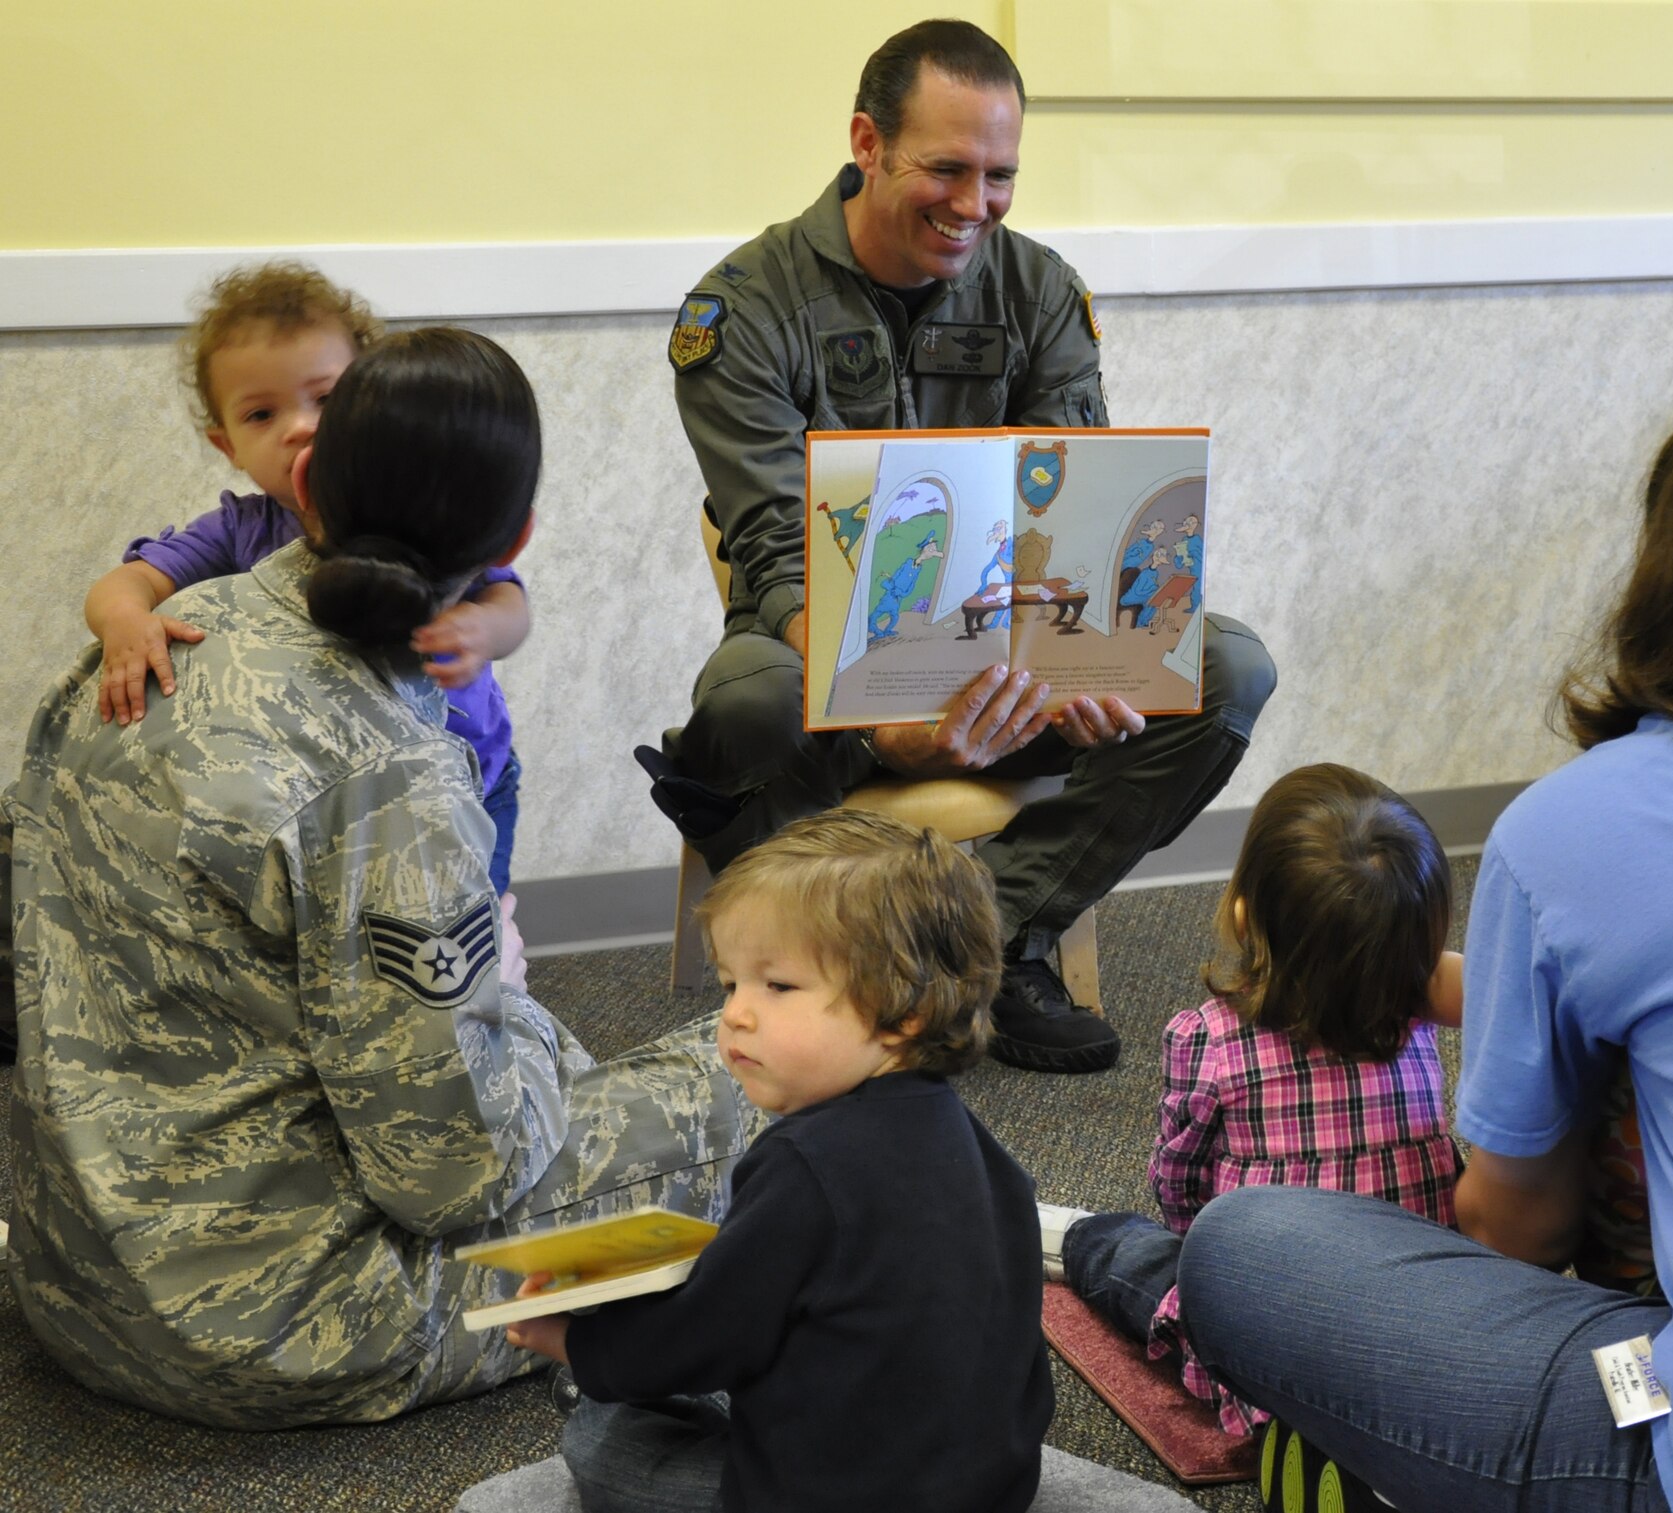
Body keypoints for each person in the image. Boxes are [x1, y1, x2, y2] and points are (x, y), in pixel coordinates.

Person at [1175, 368, 1673, 1510]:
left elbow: (1517, 1230)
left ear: (1660, 577)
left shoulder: (1573, 830)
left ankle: (1113, 1262)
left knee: (1240, 1248)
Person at [1, 328, 746, 1429]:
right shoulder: (390, 774)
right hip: (279, 1329)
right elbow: (452, 1175)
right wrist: (524, 1036)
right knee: (758, 1075)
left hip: (74, 1277)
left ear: (306, 479)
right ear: (517, 539)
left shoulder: (135, 653)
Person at [640, 18, 1275, 1075]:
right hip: (819, 663)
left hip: (1012, 656)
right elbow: (774, 549)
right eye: (945, 168)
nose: (972, 204)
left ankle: (981, 938)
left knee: (1224, 668)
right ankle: (811, 969)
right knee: (744, 702)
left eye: (998, 175)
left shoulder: (1038, 292)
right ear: (865, 142)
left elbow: (1071, 521)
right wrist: (891, 727)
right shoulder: (742, 311)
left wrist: (1092, 663)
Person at [505, 809, 1052, 1513]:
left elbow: (696, 1340)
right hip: (996, 1486)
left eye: (778, 987)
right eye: (732, 984)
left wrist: (575, 1341)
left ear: (904, 1009)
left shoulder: (803, 1163)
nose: (735, 1014)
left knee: (603, 1437)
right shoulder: (973, 1140)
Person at [83, 262, 536, 892]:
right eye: (262, 415)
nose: (301, 426)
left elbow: (510, 599)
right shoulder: (240, 530)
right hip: (324, 801)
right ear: (227, 447)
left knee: (474, 938)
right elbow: (123, 584)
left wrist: (485, 628)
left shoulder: (428, 504)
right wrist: (126, 621)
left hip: (472, 778)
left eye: (327, 399)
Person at [1043, 764, 1462, 1435]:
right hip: (1414, 1328)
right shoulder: (1420, 1022)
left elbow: (1177, 1185)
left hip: (1272, 1334)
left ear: (1243, 911)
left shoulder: (1208, 1036)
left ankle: (1067, 1235)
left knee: (1133, 1256)